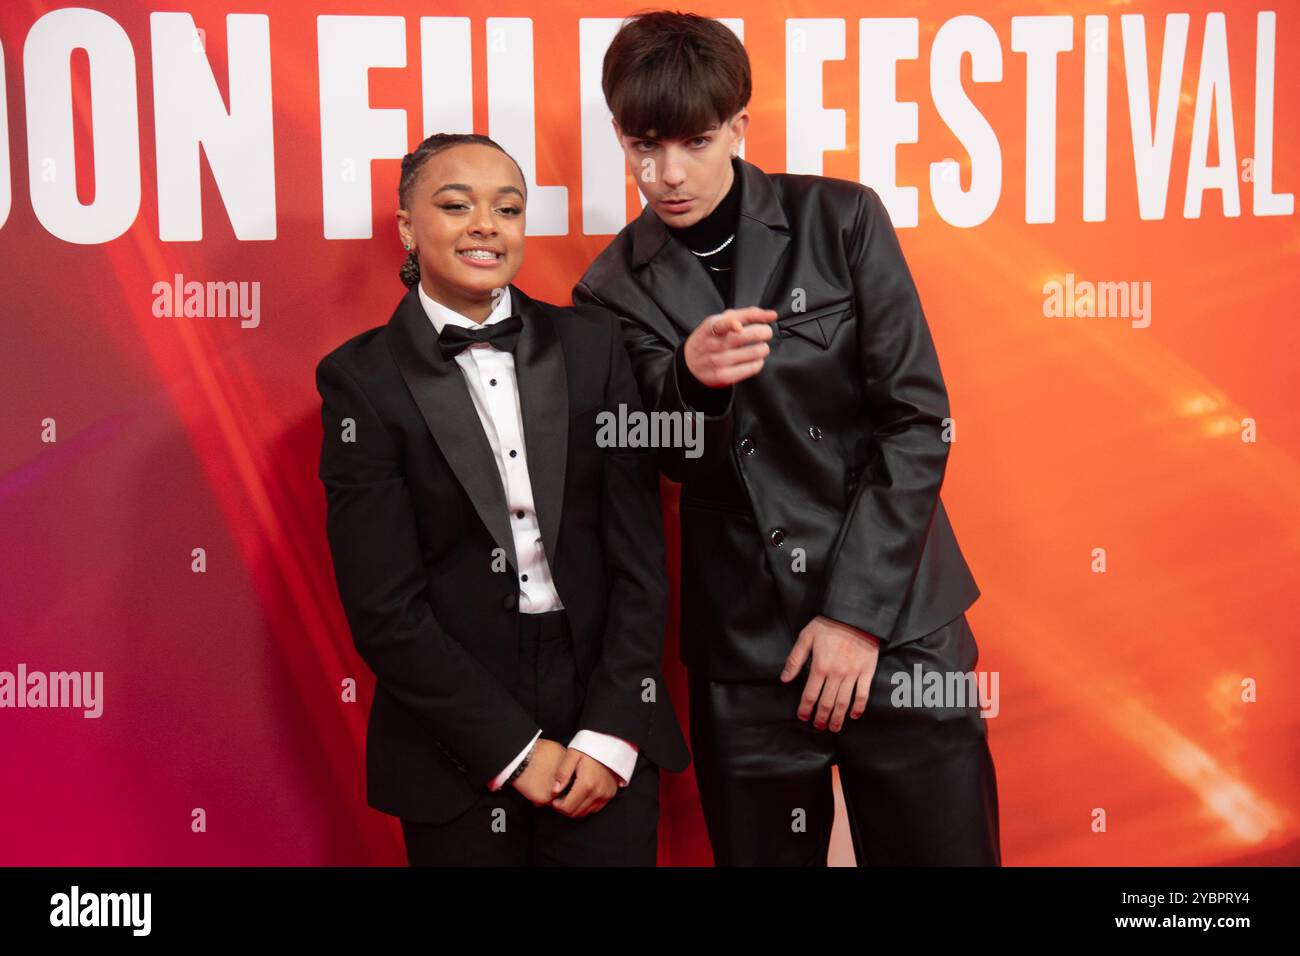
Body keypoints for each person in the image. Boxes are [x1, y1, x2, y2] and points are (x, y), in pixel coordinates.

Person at [573, 12, 1001, 866]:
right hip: (747, 653)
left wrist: (853, 618)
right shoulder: (610, 288)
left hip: (901, 630)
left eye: (694, 141)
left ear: (739, 124)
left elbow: (917, 421)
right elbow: (655, 461)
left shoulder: (840, 219)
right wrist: (689, 383)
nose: (667, 174)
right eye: (642, 145)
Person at [316, 132, 688, 865]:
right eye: (455, 205)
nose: (486, 224)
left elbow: (641, 560)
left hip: (601, 705)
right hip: (452, 734)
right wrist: (517, 752)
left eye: (508, 208)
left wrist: (612, 731)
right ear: (406, 228)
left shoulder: (594, 346)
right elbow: (384, 611)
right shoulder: (359, 381)